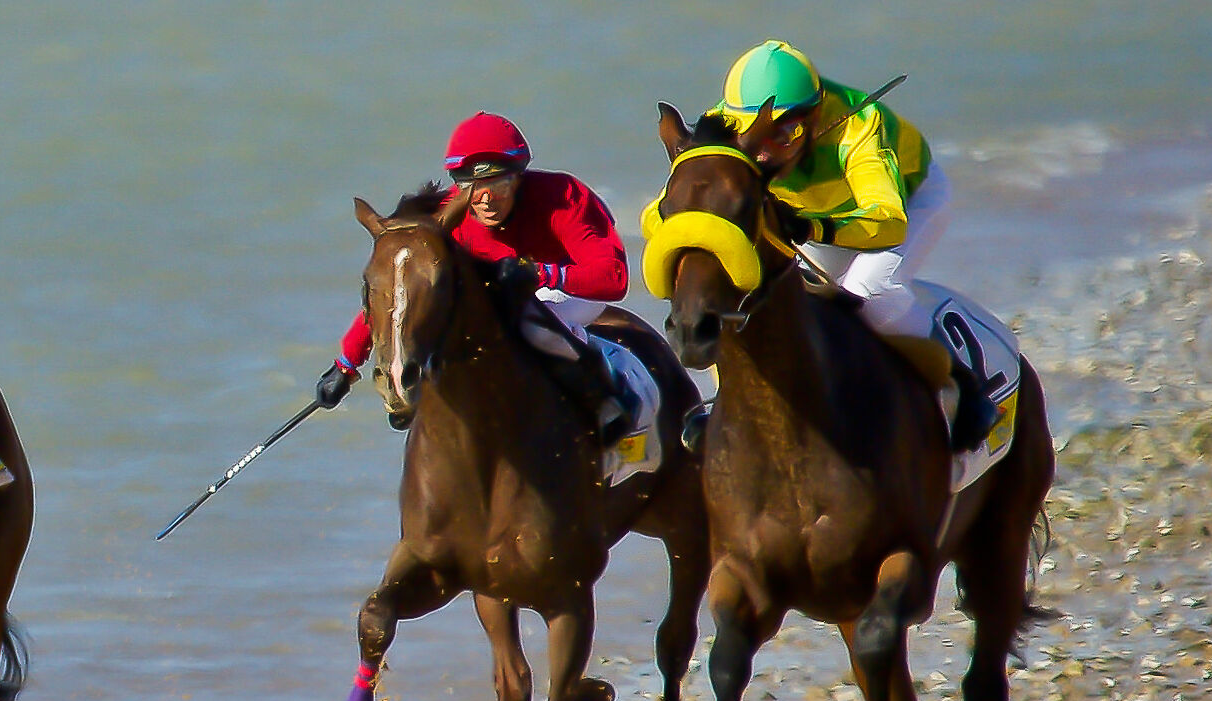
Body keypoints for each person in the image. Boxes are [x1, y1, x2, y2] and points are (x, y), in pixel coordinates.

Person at [698, 39, 996, 451]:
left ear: (816, 115)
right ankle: (729, 400)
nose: (763, 152)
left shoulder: (859, 127)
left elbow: (887, 222)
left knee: (868, 293)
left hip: (909, 202)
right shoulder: (720, 129)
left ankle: (963, 388)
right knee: (742, 294)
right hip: (811, 216)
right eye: (749, 133)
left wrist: (813, 229)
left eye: (785, 132)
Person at [314, 112, 630, 435]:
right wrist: (346, 366)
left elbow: (614, 278)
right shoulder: (448, 220)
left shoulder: (565, 197)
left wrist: (541, 273)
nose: (486, 198)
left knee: (526, 320)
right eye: (472, 186)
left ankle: (601, 390)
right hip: (507, 294)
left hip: (571, 289)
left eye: (499, 183)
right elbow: (398, 294)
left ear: (519, 177)